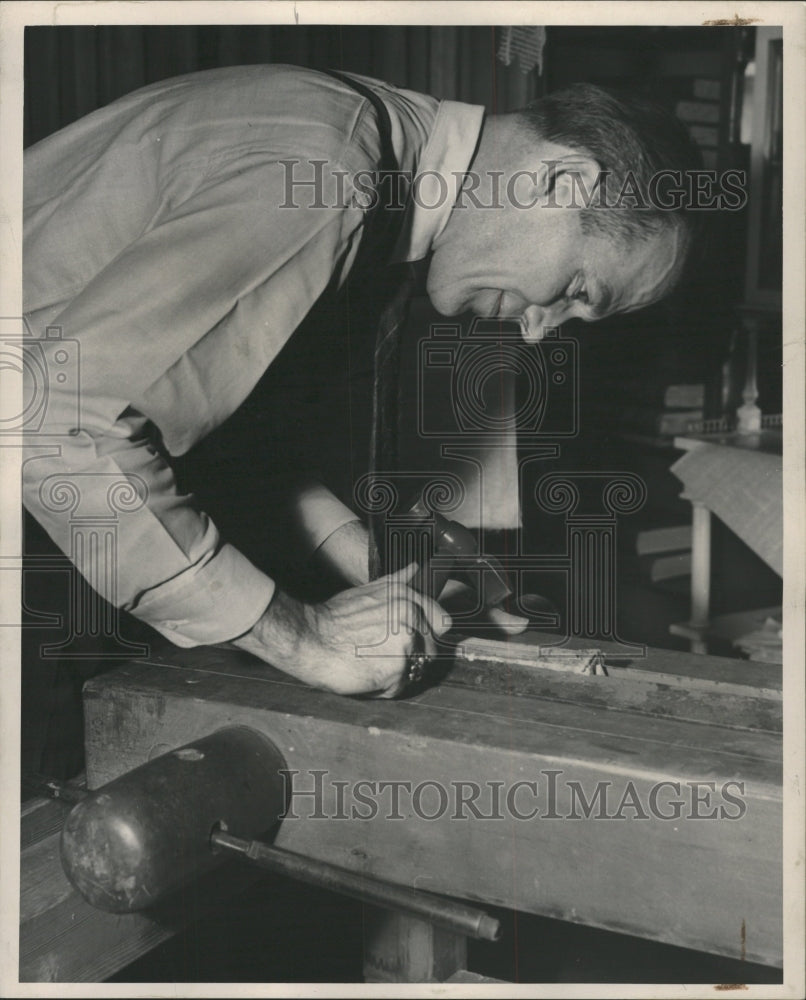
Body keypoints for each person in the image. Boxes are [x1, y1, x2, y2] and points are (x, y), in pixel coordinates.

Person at [22, 65, 699, 700]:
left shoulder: (364, 155)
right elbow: (62, 420)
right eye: (577, 290)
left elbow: (179, 428)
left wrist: (358, 555)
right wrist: (303, 638)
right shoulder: (332, 168)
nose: (535, 332)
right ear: (563, 181)